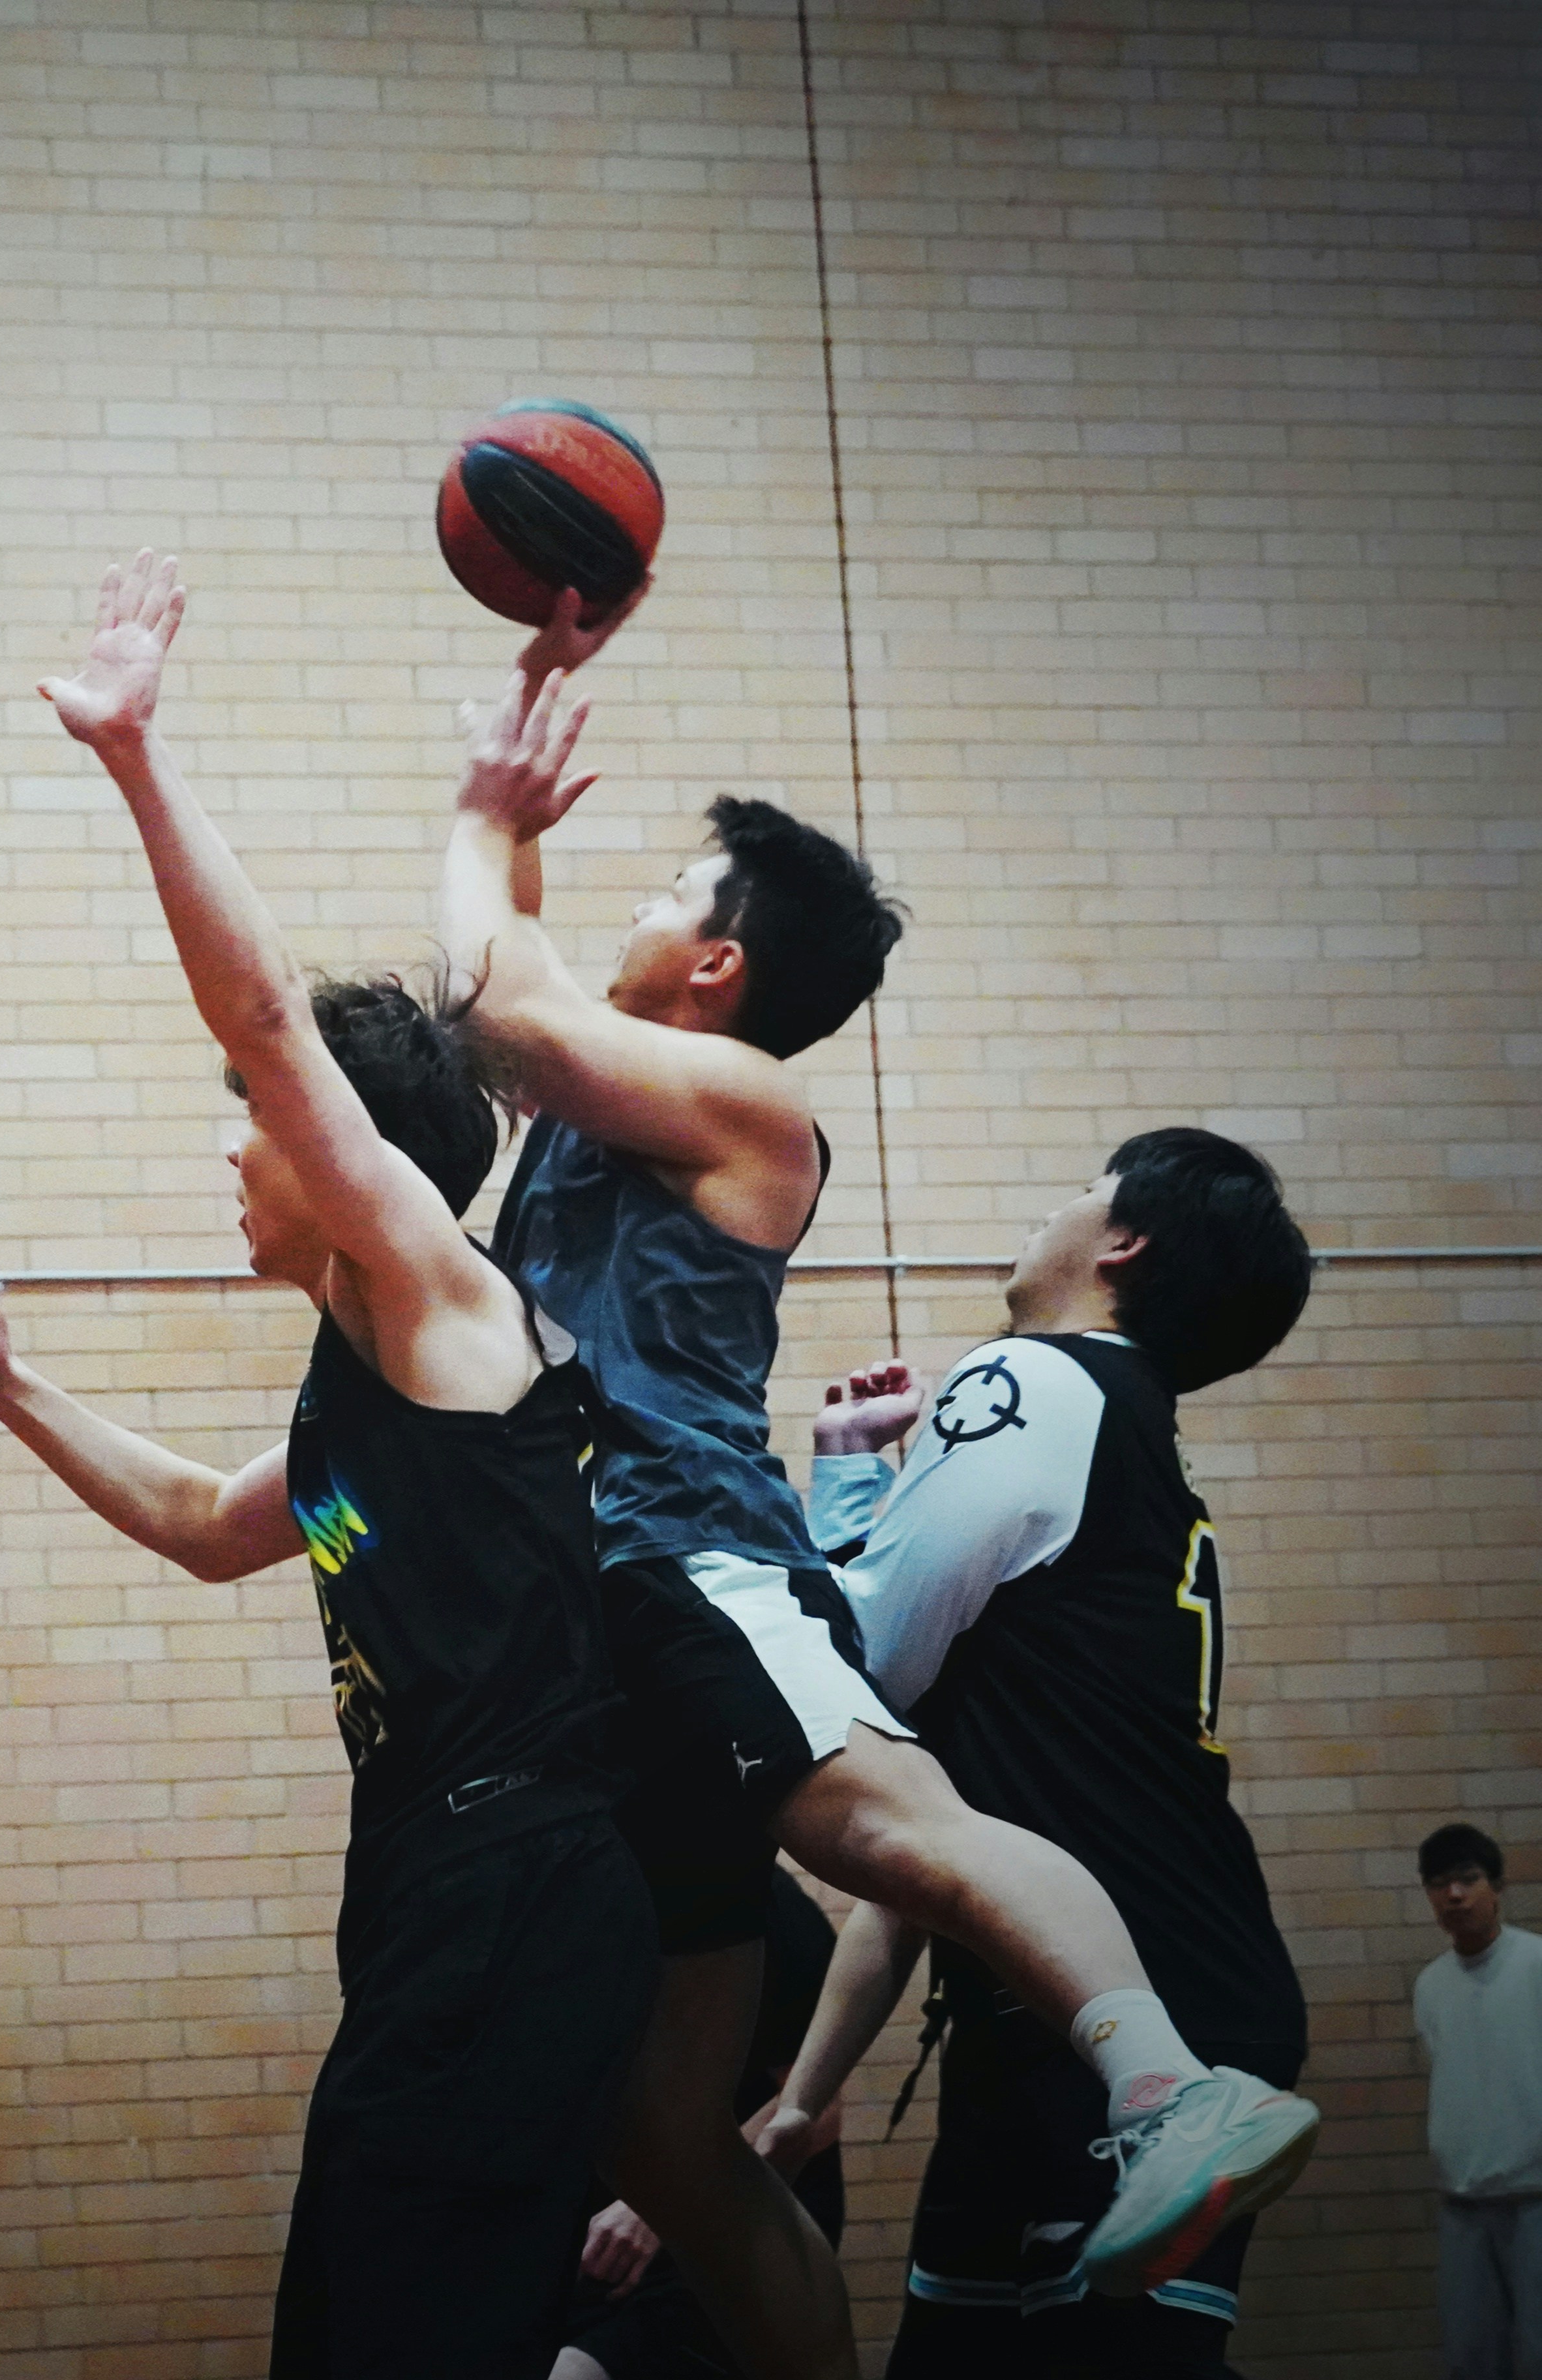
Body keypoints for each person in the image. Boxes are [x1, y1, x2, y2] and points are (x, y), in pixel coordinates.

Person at [438, 618, 1317, 2376]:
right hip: (590, 1642)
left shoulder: (750, 1106)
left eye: (672, 887)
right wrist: (517, 813)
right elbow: (524, 993)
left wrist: (472, 818)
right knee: (668, 2144)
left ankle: (1161, 2087)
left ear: (715, 966)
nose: (634, 903)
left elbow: (498, 1001)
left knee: (891, 1833)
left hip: (688, 1567)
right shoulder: (598, 1095)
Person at [0, 552, 656, 2379]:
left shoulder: (440, 1303)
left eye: (257, 1128)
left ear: (339, 1150)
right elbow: (195, 1525)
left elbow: (259, 1022)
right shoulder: (355, 1397)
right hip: (437, 1903)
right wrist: (5, 1386)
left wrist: (135, 758)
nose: (233, 1154)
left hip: (515, 1888)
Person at [753, 1128, 1323, 2376]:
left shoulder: (1033, 1374)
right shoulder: (1124, 1425)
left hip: (1149, 2000)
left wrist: (811, 1502)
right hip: (1043, 2017)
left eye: (1083, 1188)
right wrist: (800, 2101)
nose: (1050, 1207)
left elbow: (867, 1661)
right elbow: (925, 1849)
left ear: (1124, 1241)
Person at [551, 1869, 849, 2380]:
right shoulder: (577, 1906)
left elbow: (817, 2114)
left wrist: (663, 2205)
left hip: (726, 2236)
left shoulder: (765, 1907)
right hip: (612, 2239)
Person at [1414, 1822, 1542, 2380]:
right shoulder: (1432, 1983)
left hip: (1537, 2199)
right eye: (1440, 1883)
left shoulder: (1536, 1964)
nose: (1455, 1895)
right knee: (1470, 2358)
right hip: (1462, 2204)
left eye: (1467, 1879)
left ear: (1497, 1886)